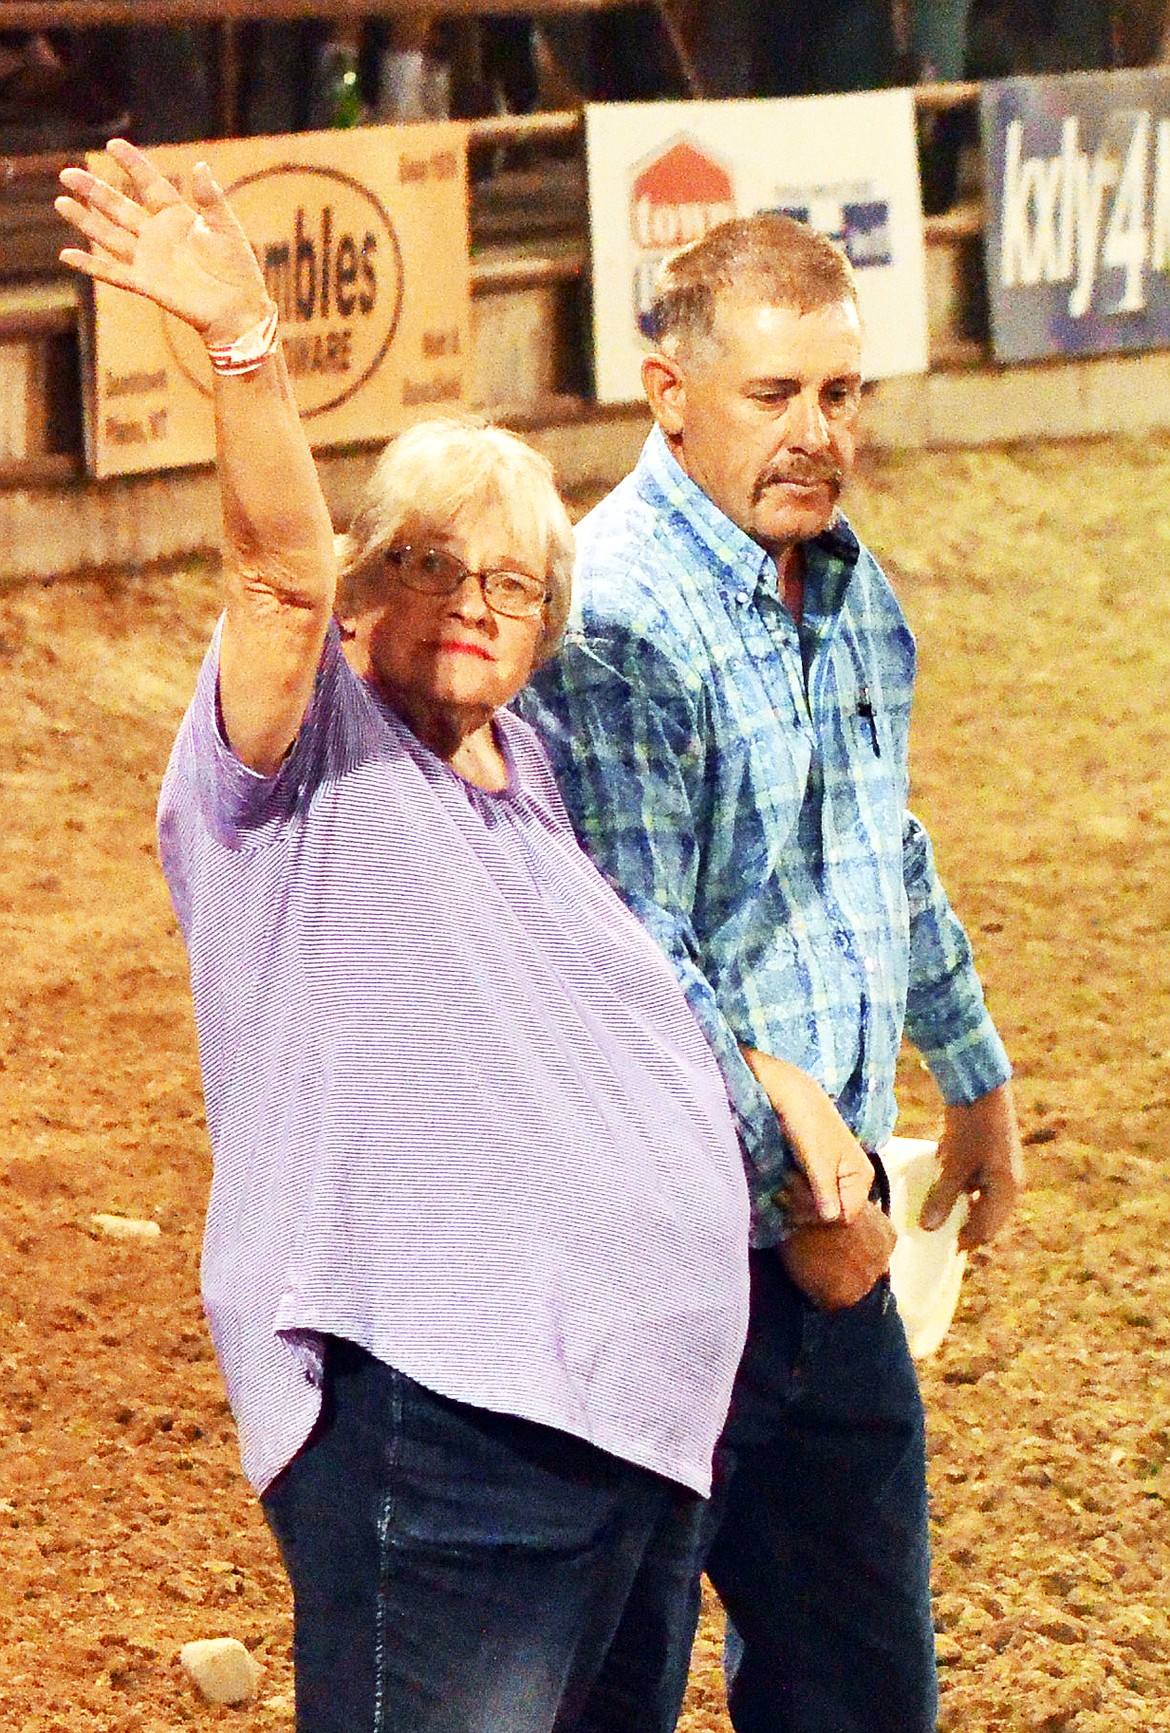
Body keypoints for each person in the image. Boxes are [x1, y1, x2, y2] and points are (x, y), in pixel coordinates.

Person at [55, 139, 753, 1733]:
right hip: (444, 1419)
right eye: (427, 560)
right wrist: (244, 352)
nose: (471, 599)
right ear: (367, 578)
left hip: (632, 1435)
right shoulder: (298, 754)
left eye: (512, 578)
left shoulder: (535, 772)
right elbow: (273, 575)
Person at [519, 212, 1025, 1733]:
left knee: (863, 1696)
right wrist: (800, 1203)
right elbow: (631, 962)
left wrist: (974, 1067)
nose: (818, 432)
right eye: (774, 394)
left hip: (832, 1237)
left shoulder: (848, 590)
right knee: (617, 1690)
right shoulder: (609, 617)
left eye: (842, 393)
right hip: (672, 1263)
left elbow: (881, 844)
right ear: (666, 390)